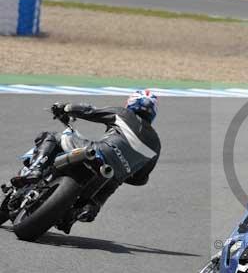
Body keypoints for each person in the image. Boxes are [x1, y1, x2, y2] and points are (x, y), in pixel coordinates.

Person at [22, 90, 161, 226]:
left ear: (131, 103)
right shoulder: (156, 145)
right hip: (111, 177)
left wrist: (65, 107)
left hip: (97, 152)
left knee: (53, 137)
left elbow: (90, 111)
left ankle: (36, 169)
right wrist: (125, 166)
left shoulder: (124, 114)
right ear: (153, 113)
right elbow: (141, 178)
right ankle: (84, 211)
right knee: (104, 194)